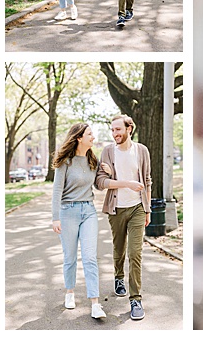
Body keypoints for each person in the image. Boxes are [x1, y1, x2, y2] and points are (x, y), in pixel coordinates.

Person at [49, 123, 106, 320]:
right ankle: (70, 292)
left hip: (88, 211)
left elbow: (99, 187)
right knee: (70, 257)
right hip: (68, 212)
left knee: (90, 257)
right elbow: (57, 190)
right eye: (90, 134)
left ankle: (95, 303)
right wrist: (55, 217)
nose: (93, 137)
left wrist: (106, 171)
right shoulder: (65, 161)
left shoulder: (93, 160)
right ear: (79, 137)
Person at [98, 115, 153, 321]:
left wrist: (147, 210)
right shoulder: (108, 151)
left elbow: (147, 180)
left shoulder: (141, 150)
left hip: (137, 207)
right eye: (112, 130)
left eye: (118, 129)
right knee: (119, 248)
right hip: (116, 209)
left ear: (129, 128)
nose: (115, 134)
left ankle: (136, 299)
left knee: (135, 252)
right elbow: (101, 182)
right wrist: (124, 182)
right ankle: (118, 277)